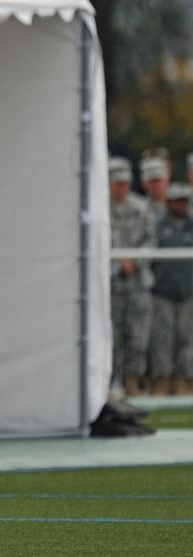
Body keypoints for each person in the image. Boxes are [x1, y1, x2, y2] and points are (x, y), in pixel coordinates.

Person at [109, 157, 155, 397]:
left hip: (137, 284)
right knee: (111, 335)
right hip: (112, 284)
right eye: (117, 183)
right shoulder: (100, 211)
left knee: (138, 336)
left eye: (126, 183)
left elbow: (150, 242)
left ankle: (133, 381)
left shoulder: (140, 208)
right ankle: (110, 381)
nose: (122, 187)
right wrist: (118, 263)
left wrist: (134, 262)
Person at [148, 183, 193, 396]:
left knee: (186, 338)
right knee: (163, 339)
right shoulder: (158, 225)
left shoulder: (191, 226)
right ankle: (161, 380)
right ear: (169, 203)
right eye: (177, 201)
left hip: (188, 292)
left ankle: (183, 380)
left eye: (184, 201)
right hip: (163, 292)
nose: (181, 205)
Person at [140, 156, 169, 220]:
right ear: (144, 183)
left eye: (159, 180)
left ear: (166, 180)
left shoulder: (178, 204)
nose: (156, 185)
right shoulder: (140, 208)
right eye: (152, 181)